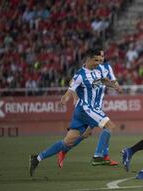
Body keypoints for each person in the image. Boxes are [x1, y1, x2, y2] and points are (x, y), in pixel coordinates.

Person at [29, 49, 120, 177]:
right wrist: (64, 100)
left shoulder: (98, 70)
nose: (98, 63)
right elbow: (70, 90)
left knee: (67, 142)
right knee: (109, 126)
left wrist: (112, 85)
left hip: (83, 112)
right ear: (88, 59)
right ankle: (98, 157)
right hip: (87, 109)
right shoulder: (80, 75)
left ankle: (37, 158)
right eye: (95, 60)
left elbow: (103, 81)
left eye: (99, 60)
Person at [57, 50, 120, 168]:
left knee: (90, 133)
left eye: (102, 57)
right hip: (88, 107)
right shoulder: (89, 70)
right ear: (93, 58)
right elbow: (73, 83)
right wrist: (75, 98)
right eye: (98, 58)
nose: (100, 59)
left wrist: (116, 86)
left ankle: (103, 156)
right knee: (92, 132)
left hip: (97, 106)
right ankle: (66, 150)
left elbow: (110, 81)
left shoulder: (105, 68)